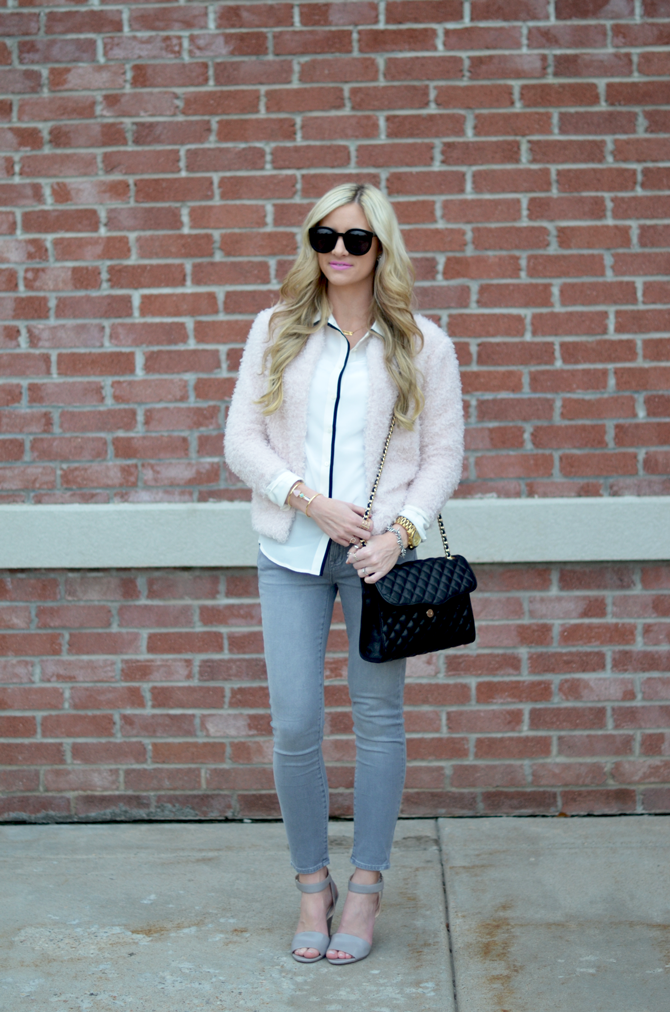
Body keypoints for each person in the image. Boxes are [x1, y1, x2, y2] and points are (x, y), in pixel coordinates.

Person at [224, 182, 464, 965]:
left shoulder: (423, 343)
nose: (337, 251)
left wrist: (400, 533)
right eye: (323, 236)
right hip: (290, 551)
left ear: (381, 248)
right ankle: (311, 886)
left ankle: (365, 885)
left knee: (378, 720)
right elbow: (242, 440)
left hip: (380, 563)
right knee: (296, 723)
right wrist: (307, 500)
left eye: (355, 239)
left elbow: (442, 456)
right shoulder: (277, 328)